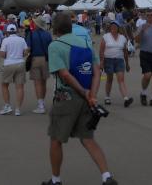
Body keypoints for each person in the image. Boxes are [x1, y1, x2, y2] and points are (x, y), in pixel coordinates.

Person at [42, 13, 116, 185]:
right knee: (88, 139)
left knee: (56, 139)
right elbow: (97, 71)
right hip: (87, 98)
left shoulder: (55, 45)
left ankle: (55, 180)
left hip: (66, 97)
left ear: (55, 28)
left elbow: (65, 75)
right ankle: (106, 176)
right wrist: (92, 95)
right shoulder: (85, 43)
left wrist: (83, 92)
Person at [99, 20, 133, 108]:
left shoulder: (123, 38)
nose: (113, 28)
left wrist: (127, 64)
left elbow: (125, 52)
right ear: (110, 27)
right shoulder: (106, 36)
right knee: (109, 79)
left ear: (118, 28)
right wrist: (101, 62)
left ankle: (126, 98)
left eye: (115, 26)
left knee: (121, 79)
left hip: (119, 60)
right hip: (108, 60)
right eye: (112, 26)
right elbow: (101, 50)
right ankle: (107, 97)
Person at [0, 24, 29, 116]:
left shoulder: (5, 40)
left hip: (9, 63)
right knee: (19, 87)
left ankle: (7, 106)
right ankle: (18, 109)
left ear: (7, 32)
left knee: (4, 85)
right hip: (20, 63)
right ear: (16, 31)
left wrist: (9, 55)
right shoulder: (22, 39)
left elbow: (2, 54)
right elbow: (26, 52)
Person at [26, 16, 52, 114]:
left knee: (37, 83)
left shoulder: (31, 34)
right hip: (46, 59)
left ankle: (40, 104)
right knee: (44, 82)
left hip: (35, 59)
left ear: (37, 24)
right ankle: (42, 102)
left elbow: (28, 48)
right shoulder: (47, 34)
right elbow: (51, 47)